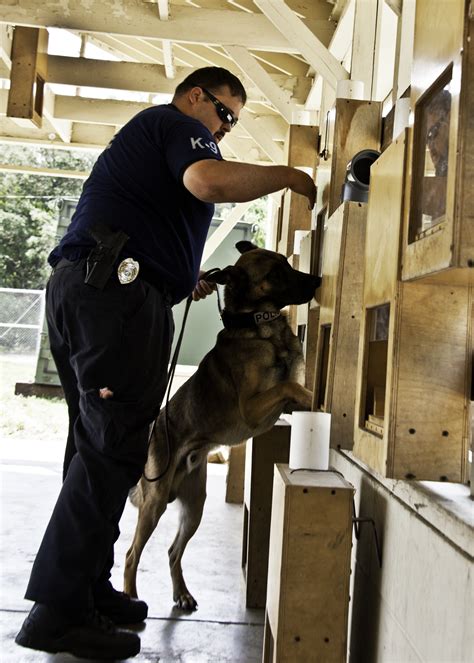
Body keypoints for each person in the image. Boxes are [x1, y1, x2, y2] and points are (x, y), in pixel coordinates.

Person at [15, 66, 316, 660]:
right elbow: (207, 182)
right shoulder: (174, 124)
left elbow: (156, 212)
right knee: (110, 452)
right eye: (224, 115)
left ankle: (91, 589)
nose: (224, 131)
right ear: (195, 96)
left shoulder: (156, 138)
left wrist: (185, 276)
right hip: (115, 297)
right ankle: (58, 612)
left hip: (109, 291)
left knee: (101, 449)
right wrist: (291, 176)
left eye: (231, 123)